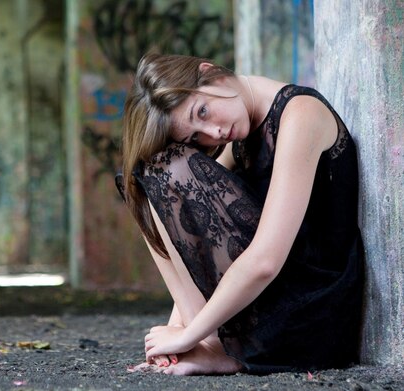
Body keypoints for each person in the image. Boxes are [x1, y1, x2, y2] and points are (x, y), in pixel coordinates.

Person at [117, 53, 364, 375]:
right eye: (195, 136)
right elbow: (187, 234)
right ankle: (208, 343)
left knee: (169, 168)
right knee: (146, 177)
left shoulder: (301, 114)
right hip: (273, 302)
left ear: (211, 73)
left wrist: (187, 336)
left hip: (312, 313)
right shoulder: (239, 139)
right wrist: (176, 331)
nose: (213, 133)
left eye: (202, 111)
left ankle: (214, 344)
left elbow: (264, 261)